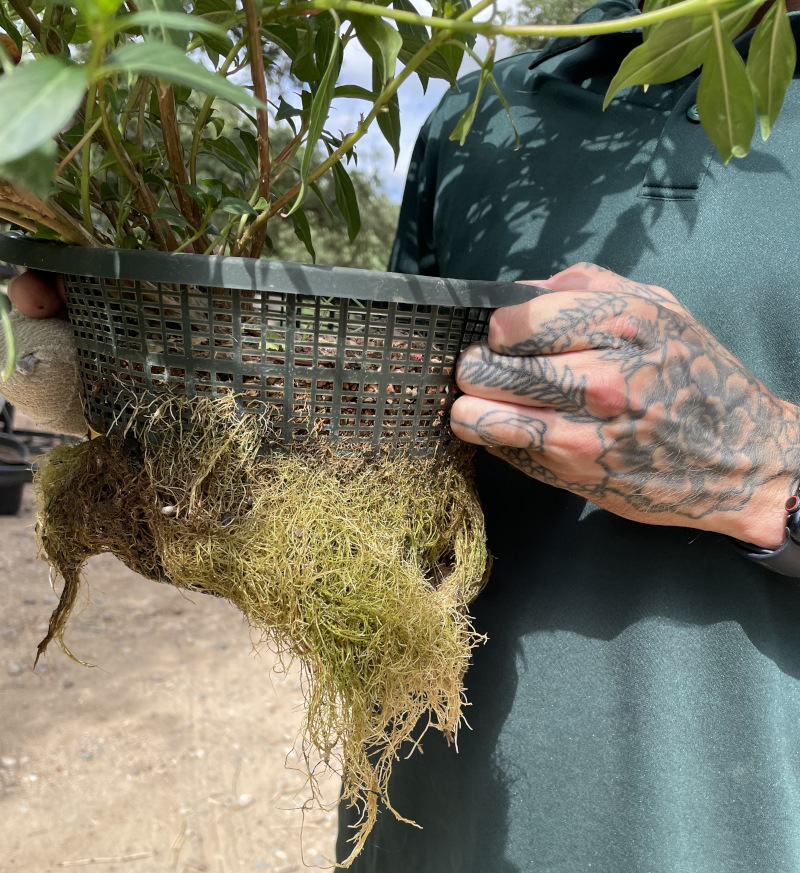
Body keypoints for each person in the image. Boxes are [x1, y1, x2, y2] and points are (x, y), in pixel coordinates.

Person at [8, 3, 800, 868]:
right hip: (432, 814)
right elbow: (395, 444)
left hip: (740, 827)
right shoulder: (486, 114)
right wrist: (165, 412)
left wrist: (772, 476)